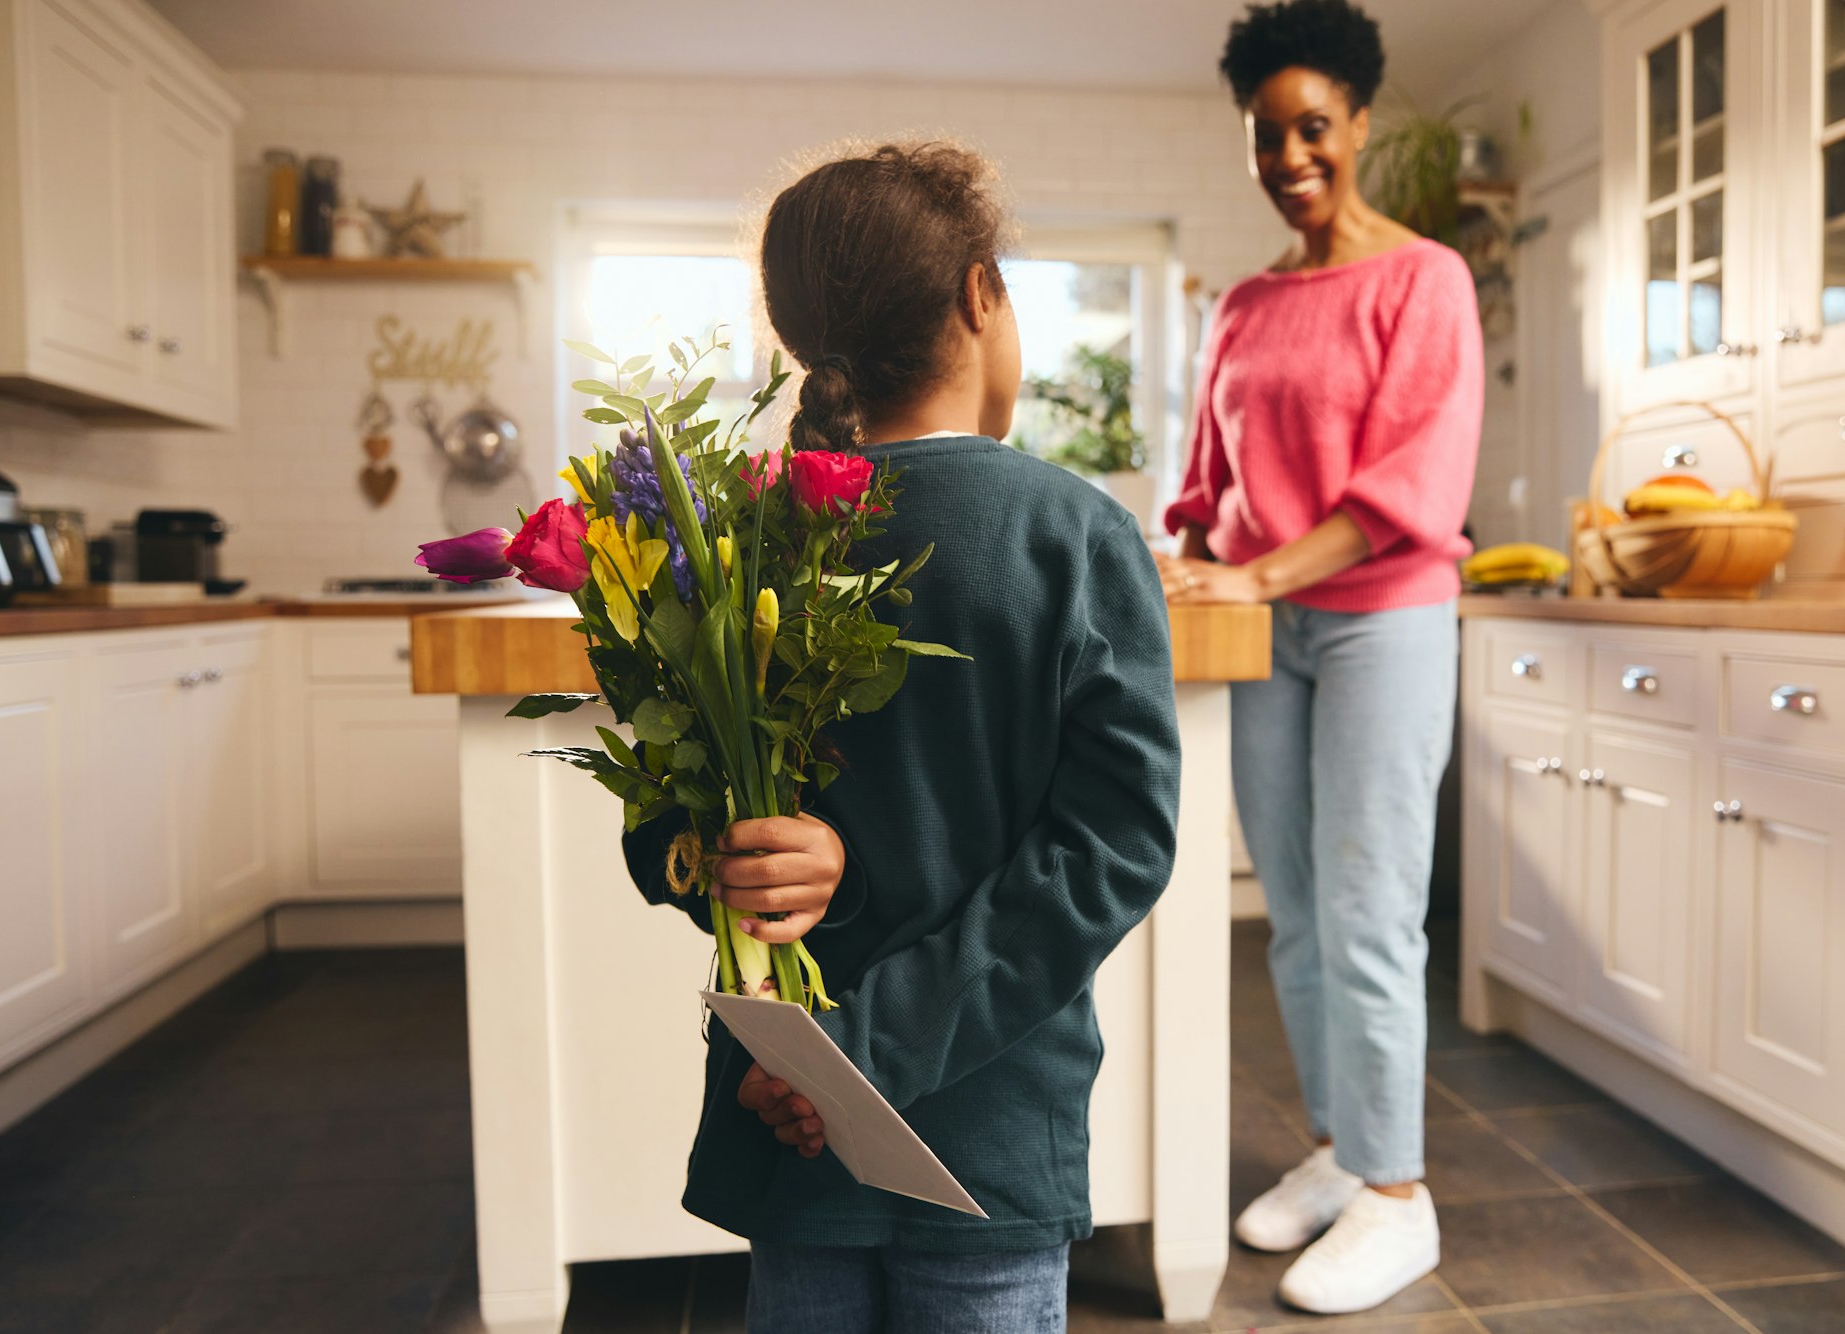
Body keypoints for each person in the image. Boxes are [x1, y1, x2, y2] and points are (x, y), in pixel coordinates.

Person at [621, 141, 1181, 1334]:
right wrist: (865, 1051)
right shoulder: (1075, 537)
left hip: (785, 1124)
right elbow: (1111, 850)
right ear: (980, 294)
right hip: (986, 1141)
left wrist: (719, 860)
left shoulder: (732, 542)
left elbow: (657, 824)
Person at [1156, 0, 1482, 1317]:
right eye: (1265, 136)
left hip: (1382, 617)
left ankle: (1401, 1197)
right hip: (1261, 624)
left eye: (1313, 127)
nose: (1291, 156)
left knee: (1369, 911)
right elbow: (1205, 479)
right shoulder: (1242, 304)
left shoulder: (1424, 279)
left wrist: (1258, 569)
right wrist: (1187, 557)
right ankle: (1349, 1147)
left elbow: (1411, 478)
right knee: (1292, 911)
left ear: (1358, 124)